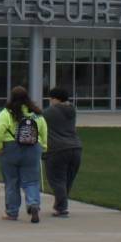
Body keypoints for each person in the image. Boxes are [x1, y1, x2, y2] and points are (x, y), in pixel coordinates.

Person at [0, 85, 49, 223]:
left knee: (12, 181)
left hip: (10, 149)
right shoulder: (36, 113)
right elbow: (43, 130)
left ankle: (12, 212)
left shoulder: (7, 113)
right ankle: (33, 204)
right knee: (32, 180)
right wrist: (44, 147)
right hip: (33, 148)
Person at [42, 86, 82, 218]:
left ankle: (62, 208)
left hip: (57, 149)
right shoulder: (72, 110)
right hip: (75, 148)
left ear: (55, 99)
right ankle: (60, 205)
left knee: (57, 179)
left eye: (51, 98)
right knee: (67, 180)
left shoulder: (50, 112)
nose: (50, 101)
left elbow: (38, 120)